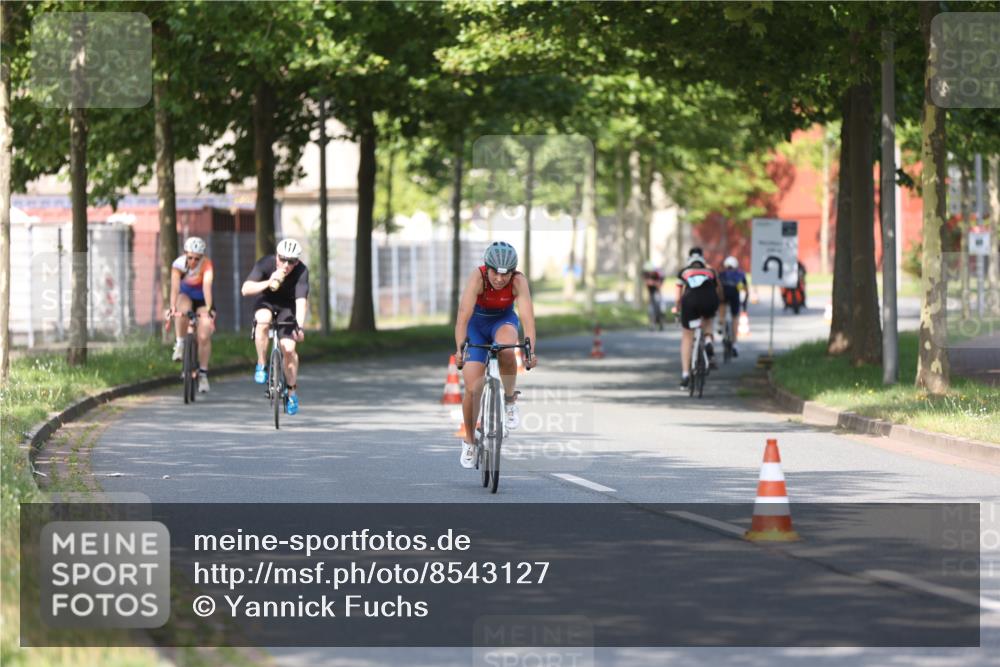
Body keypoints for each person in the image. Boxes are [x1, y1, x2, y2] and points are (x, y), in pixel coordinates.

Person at [454, 241, 538, 469]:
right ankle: (470, 440)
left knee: (508, 350)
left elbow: (528, 319)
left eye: (506, 274)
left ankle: (509, 400)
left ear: (513, 272)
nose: (500, 279)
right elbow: (462, 317)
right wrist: (460, 349)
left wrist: (531, 351)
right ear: (487, 268)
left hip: (503, 321)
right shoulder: (477, 278)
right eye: (495, 273)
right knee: (472, 389)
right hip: (476, 325)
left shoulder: (519, 281)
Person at [240, 238, 309, 416]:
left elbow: (301, 301)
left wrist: (300, 327)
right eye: (282, 259)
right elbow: (245, 289)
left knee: (289, 349)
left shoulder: (301, 272)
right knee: (263, 320)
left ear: (297, 261)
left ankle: (292, 392)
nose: (286, 265)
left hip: (288, 307)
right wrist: (269, 282)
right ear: (276, 256)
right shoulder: (266, 263)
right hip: (266, 302)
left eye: (291, 261)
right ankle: (262, 363)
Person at [168, 237, 216, 393]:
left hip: (202, 299)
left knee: (204, 334)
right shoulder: (178, 265)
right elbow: (175, 288)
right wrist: (172, 307)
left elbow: (207, 287)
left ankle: (203, 374)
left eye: (197, 258)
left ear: (202, 257)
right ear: (185, 255)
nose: (193, 261)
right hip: (186, 296)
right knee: (181, 307)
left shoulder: (207, 265)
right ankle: (180, 343)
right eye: (190, 257)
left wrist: (209, 310)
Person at [672, 247, 723, 388]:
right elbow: (717, 291)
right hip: (709, 300)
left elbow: (677, 297)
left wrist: (676, 309)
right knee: (707, 319)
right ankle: (708, 340)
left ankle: (685, 374)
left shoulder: (683, 272)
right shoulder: (711, 272)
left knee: (687, 336)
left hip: (690, 301)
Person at [718, 255, 749, 357]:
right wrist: (744, 304)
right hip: (734, 296)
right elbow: (745, 290)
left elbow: (717, 288)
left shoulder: (721, 274)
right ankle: (735, 344)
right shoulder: (740, 274)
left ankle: (721, 324)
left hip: (723, 296)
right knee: (735, 318)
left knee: (722, 307)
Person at [642, 261, 665, 330]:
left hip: (657, 290)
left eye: (650, 271)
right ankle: (652, 323)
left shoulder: (658, 274)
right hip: (651, 291)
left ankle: (661, 322)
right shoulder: (645, 274)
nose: (649, 273)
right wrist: (649, 283)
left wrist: (654, 283)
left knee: (660, 306)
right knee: (651, 308)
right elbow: (646, 282)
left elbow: (659, 284)